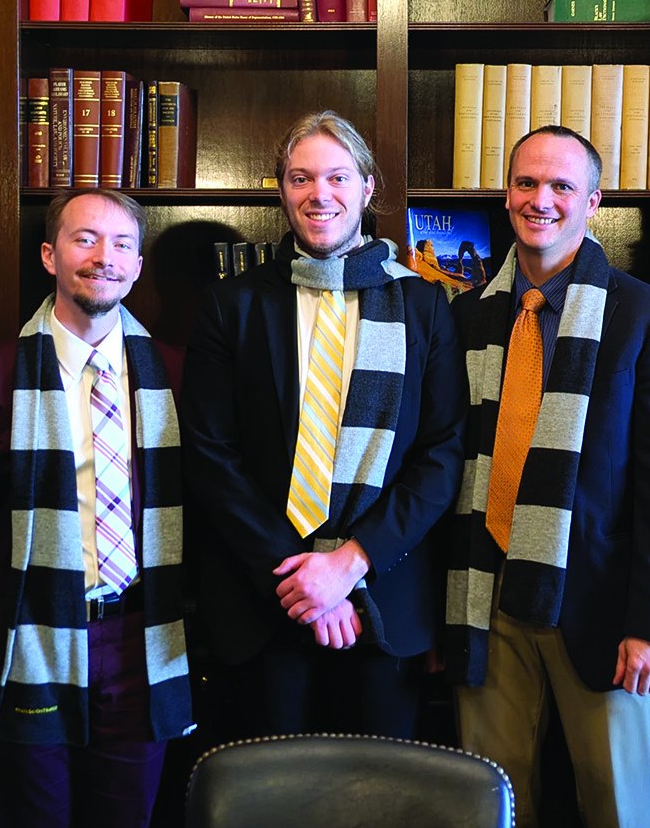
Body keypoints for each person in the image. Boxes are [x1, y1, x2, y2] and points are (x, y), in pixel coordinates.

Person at [444, 125, 650, 828]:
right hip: (483, 596)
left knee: (619, 822)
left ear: (593, 202)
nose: (541, 201)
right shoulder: (467, 316)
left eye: (561, 187)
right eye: (527, 184)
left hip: (601, 605)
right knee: (489, 818)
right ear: (507, 194)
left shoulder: (647, 316)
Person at [0, 188, 192, 828]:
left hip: (143, 640)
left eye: (119, 245)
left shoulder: (179, 375)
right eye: (84, 241)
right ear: (51, 256)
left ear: (138, 265)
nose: (102, 258)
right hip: (34, 640)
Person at [180, 111, 463, 739]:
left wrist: (350, 564)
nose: (318, 194)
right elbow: (209, 455)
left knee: (377, 810)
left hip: (385, 600)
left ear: (366, 188)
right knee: (265, 815)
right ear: (281, 190)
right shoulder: (235, 304)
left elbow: (442, 455)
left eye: (337, 177)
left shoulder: (423, 305)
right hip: (262, 603)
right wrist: (301, 577)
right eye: (300, 178)